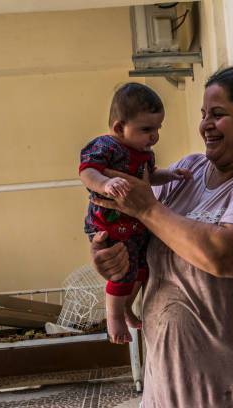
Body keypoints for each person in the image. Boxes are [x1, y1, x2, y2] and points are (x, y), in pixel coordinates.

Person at [90, 66, 233, 407]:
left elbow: (224, 256)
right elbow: (149, 245)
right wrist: (112, 258)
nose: (205, 125)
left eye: (218, 114)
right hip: (172, 385)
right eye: (203, 114)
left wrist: (148, 210)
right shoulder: (188, 171)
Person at [79, 82, 190, 344]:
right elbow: (87, 172)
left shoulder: (144, 154)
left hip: (136, 224)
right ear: (119, 128)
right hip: (109, 222)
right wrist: (105, 184)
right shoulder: (106, 146)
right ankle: (114, 319)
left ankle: (128, 308)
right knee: (122, 269)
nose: (154, 136)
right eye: (147, 129)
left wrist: (171, 175)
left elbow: (150, 178)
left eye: (157, 128)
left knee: (142, 268)